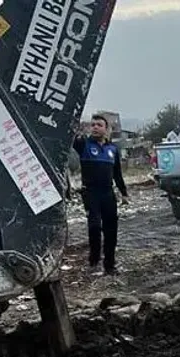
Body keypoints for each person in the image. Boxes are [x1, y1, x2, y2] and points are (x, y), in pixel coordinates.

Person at [72, 114, 129, 275]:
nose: (95, 127)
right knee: (95, 226)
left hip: (108, 193)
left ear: (106, 129)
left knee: (111, 230)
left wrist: (124, 193)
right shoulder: (84, 144)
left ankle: (110, 265)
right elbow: (71, 135)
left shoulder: (113, 150)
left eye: (99, 125)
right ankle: (94, 259)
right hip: (90, 192)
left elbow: (117, 173)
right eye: (93, 125)